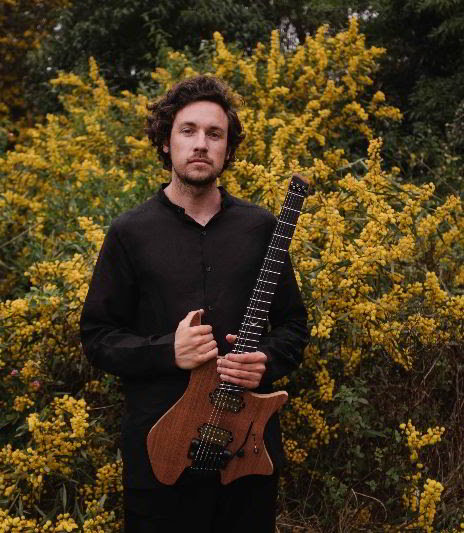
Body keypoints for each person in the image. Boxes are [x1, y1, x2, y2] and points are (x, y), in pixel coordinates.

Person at [79, 75, 308, 533]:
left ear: (227, 149)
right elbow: (98, 337)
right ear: (166, 142)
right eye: (188, 131)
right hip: (159, 454)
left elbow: (293, 326)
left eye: (214, 134)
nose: (201, 144)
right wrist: (168, 351)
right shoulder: (130, 232)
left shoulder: (260, 228)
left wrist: (265, 361)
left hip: (246, 452)